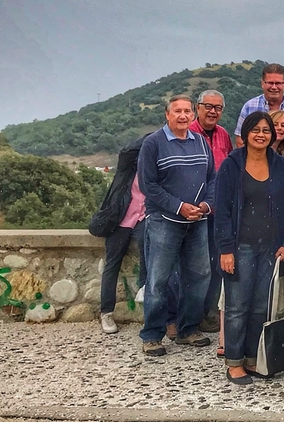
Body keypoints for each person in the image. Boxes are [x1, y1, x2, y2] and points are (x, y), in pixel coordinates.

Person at [212, 112, 284, 385]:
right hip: (240, 247)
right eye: (256, 130)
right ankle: (234, 361)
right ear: (246, 133)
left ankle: (251, 357)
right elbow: (222, 211)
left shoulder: (280, 165)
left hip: (270, 247)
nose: (261, 135)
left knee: (261, 306)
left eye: (266, 130)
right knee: (237, 306)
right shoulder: (232, 165)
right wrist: (225, 249)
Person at [137, 95, 215, 356]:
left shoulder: (200, 142)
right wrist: (179, 206)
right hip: (164, 221)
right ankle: (152, 335)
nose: (183, 116)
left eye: (187, 111)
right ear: (167, 114)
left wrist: (206, 205)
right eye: (177, 111)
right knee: (158, 280)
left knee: (200, 276)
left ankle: (187, 329)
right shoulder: (153, 143)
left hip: (197, 220)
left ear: (193, 115)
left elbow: (212, 179)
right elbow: (148, 185)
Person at [95, 134, 151, 335]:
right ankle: (106, 312)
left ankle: (145, 292)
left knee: (149, 251)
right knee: (112, 264)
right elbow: (127, 151)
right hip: (121, 220)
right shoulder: (127, 167)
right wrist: (155, 136)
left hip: (143, 219)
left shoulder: (155, 171)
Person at [191, 90, 233, 335]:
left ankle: (208, 314)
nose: (213, 111)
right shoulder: (188, 132)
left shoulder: (223, 135)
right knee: (194, 267)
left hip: (219, 211)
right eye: (208, 106)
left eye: (217, 108)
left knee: (217, 265)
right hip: (193, 212)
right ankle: (187, 317)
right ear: (198, 107)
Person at [234, 63, 284, 147]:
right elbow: (240, 139)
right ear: (262, 83)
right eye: (270, 83)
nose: (274, 87)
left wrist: (278, 155)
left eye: (278, 83)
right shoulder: (249, 106)